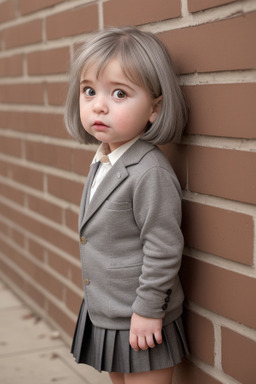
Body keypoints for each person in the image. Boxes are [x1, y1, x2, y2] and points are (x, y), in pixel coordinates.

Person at [64, 26, 189, 384]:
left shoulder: (149, 172)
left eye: (119, 93)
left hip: (140, 315)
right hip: (109, 311)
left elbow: (164, 246)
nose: (98, 104)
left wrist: (148, 311)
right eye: (89, 91)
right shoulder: (105, 158)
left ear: (155, 107)